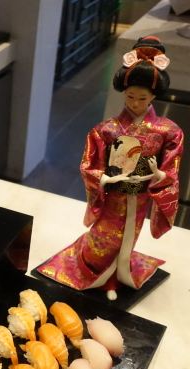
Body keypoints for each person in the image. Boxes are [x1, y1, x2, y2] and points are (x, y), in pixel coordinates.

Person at [37, 36, 184, 301]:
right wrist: (105, 178)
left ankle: (117, 276)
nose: (135, 103)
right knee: (104, 238)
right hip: (114, 195)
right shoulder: (106, 130)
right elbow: (88, 165)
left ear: (153, 96)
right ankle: (97, 273)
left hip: (141, 196)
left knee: (129, 238)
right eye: (130, 96)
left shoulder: (168, 131)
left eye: (142, 98)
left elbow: (171, 170)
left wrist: (159, 174)